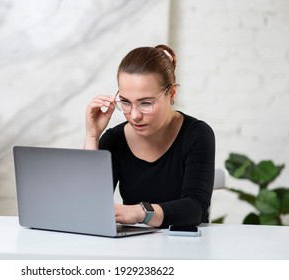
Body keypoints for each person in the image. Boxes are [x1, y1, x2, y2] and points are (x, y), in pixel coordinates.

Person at [84, 44, 215, 228]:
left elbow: (195, 208)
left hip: (185, 246)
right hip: (131, 246)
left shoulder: (197, 135)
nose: (135, 115)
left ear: (172, 93)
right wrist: (92, 136)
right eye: (126, 102)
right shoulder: (114, 140)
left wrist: (140, 212)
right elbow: (90, 208)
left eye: (145, 103)